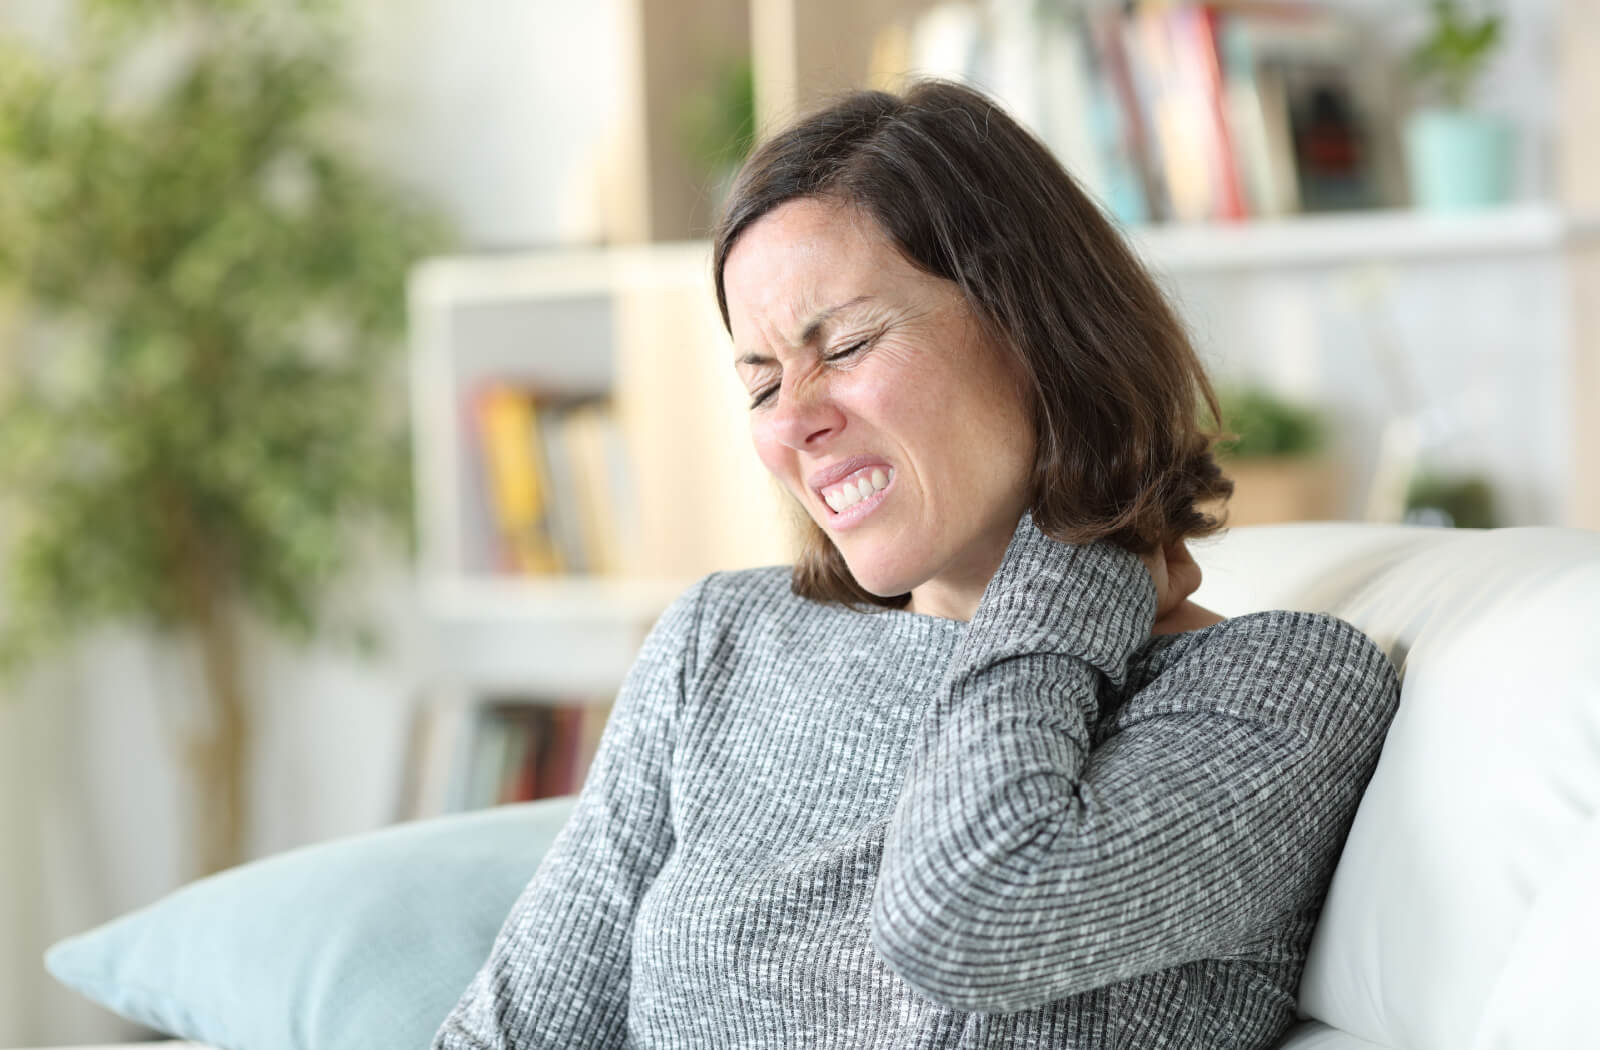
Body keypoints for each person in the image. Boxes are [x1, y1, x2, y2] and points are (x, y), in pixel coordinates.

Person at [433, 79, 1400, 1050]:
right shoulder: (721, 643)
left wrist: (1075, 567)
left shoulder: (1281, 690)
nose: (793, 420)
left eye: (845, 345)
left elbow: (970, 916)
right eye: (761, 381)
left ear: (1034, 329)